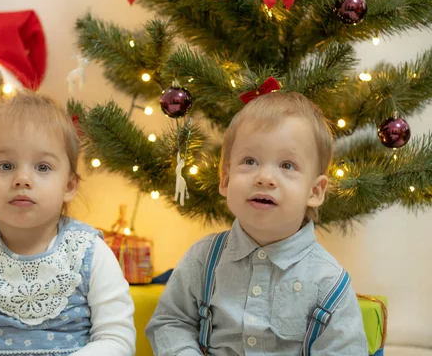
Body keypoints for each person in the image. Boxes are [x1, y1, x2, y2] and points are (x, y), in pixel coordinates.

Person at [146, 91, 368, 355]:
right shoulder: (203, 259)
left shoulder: (329, 281)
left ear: (315, 191)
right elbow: (171, 322)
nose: (265, 178)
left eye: (287, 165)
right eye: (250, 161)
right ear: (226, 180)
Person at [0, 92, 136, 356]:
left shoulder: (90, 253)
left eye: (42, 167)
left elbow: (116, 338)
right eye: (6, 165)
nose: (22, 179)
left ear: (68, 186)